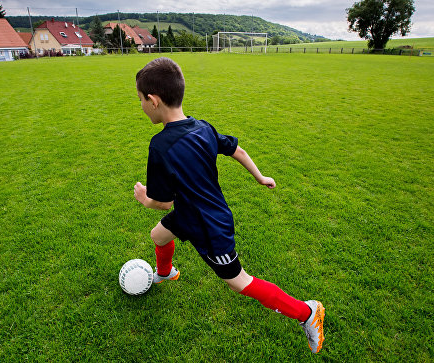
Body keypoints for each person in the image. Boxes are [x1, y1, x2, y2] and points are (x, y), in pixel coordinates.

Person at [133, 57, 325, 353]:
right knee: (158, 236)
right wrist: (260, 177)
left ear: (154, 100)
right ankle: (166, 271)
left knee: (240, 283)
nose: (141, 106)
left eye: (141, 100)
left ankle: (307, 313)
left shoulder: (160, 146)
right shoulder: (203, 128)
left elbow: (162, 201)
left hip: (209, 226)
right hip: (190, 213)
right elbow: (237, 149)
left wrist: (145, 197)